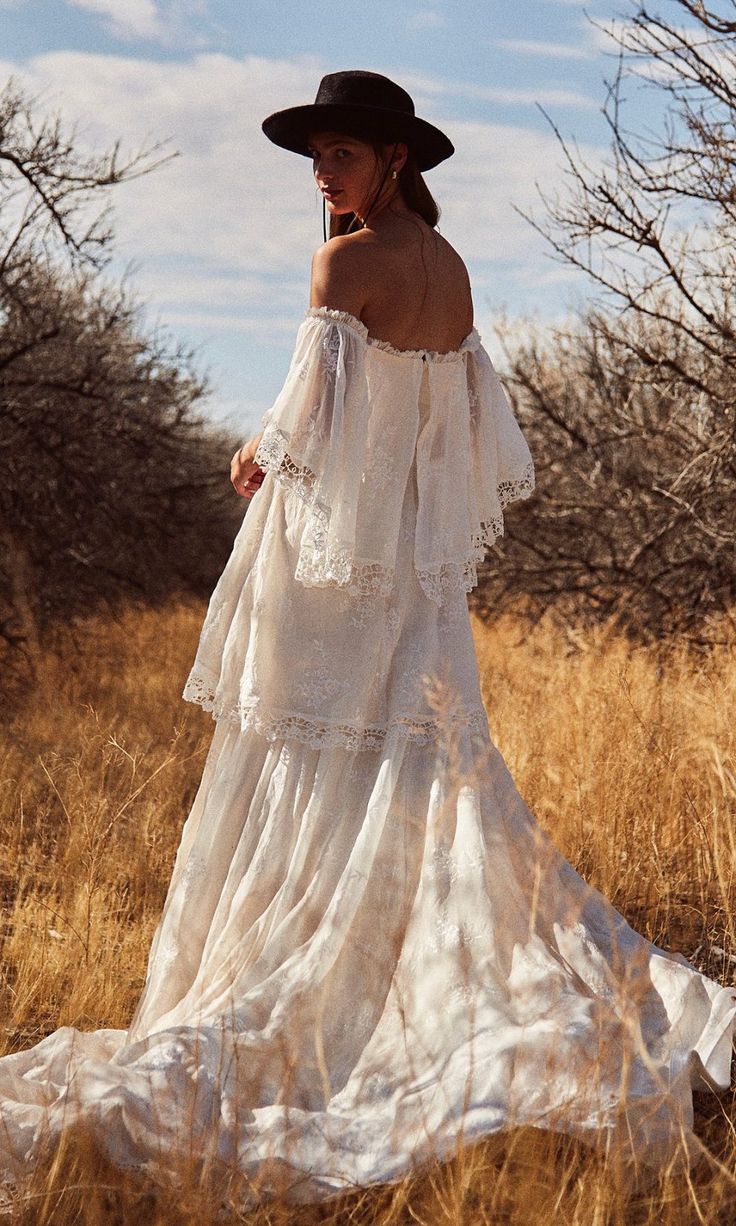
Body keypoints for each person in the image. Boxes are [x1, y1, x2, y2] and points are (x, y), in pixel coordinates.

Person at [0, 69, 733, 1210]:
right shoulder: (455, 275)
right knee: (415, 769)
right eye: (317, 157)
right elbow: (450, 447)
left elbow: (316, 435)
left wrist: (255, 458)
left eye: (341, 154)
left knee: (326, 760)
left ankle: (341, 1002)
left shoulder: (345, 264)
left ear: (397, 161)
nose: (322, 174)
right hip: (410, 581)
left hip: (338, 574)